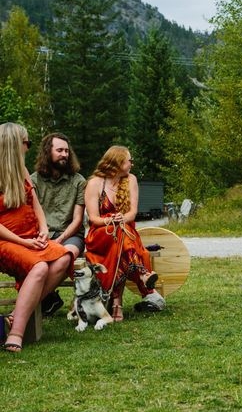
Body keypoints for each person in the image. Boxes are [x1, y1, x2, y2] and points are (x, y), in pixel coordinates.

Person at [0, 123, 72, 352]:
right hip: (7, 241)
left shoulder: (21, 171)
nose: (28, 148)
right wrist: (24, 242)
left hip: (31, 236)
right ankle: (16, 333)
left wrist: (43, 229)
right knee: (39, 268)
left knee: (63, 258)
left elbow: (36, 204)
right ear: (13, 145)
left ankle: (15, 315)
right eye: (26, 143)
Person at [84, 146, 164, 321]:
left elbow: (132, 214)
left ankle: (116, 303)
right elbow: (93, 219)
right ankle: (143, 277)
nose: (132, 164)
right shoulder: (94, 183)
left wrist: (120, 220)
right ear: (118, 162)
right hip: (100, 234)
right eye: (130, 160)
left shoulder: (131, 180)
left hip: (124, 233)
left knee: (120, 243)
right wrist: (112, 220)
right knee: (120, 232)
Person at [31, 133, 86, 316]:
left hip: (70, 235)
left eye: (67, 151)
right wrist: (42, 236)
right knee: (30, 260)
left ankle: (31, 303)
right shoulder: (33, 180)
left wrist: (61, 239)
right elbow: (30, 215)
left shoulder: (78, 181)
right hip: (41, 234)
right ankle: (47, 299)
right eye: (59, 150)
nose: (64, 154)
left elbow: (78, 219)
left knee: (66, 256)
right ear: (48, 152)